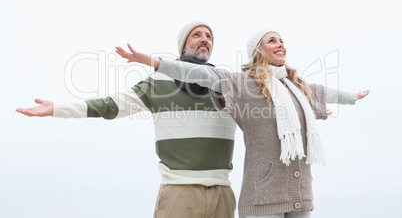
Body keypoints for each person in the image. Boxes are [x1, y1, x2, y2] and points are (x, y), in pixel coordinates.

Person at [115, 29, 369, 218]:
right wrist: (153, 61)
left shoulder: (297, 87)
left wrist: (353, 97)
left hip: (299, 192)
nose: (280, 44)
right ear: (259, 50)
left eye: (281, 40)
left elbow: (323, 92)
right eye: (272, 40)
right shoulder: (241, 83)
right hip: (263, 195)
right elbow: (199, 74)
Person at [16, 21, 238, 218]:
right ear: (183, 45)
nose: (205, 40)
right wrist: (58, 108)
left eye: (209, 37)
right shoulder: (158, 83)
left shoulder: (228, 86)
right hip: (179, 193)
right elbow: (110, 106)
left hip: (223, 195)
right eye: (197, 34)